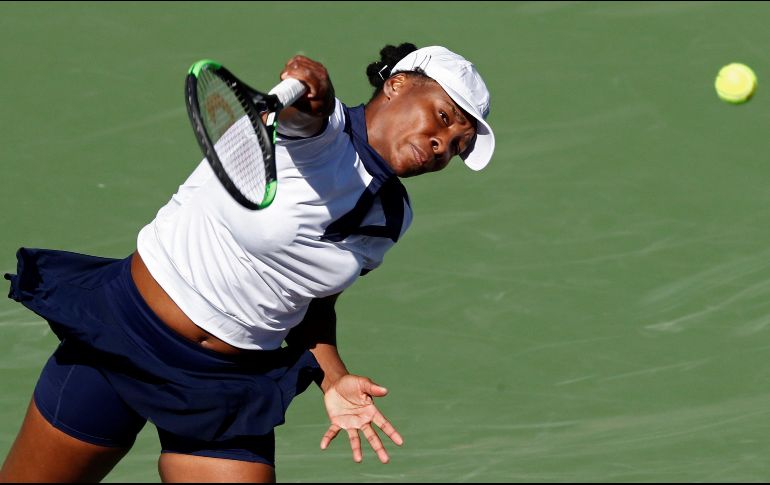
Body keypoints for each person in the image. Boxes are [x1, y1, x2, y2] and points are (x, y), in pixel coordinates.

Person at [0, 42, 494, 483]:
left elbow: (313, 301)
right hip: (124, 337)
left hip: (223, 390)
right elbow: (312, 105)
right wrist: (312, 84)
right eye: (444, 118)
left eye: (457, 146)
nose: (442, 145)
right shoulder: (316, 132)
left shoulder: (392, 217)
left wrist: (335, 376)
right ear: (397, 84)